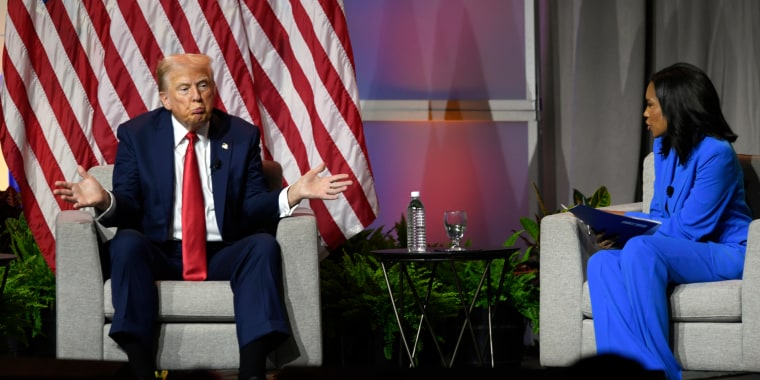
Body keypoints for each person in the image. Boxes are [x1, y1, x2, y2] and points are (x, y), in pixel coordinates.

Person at [53, 53, 353, 380]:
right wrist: (104, 200)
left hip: (221, 252)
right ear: (165, 99)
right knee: (126, 244)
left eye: (203, 85)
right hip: (160, 251)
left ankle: (251, 373)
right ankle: (141, 373)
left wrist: (293, 193)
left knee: (262, 246)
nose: (197, 96)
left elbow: (252, 206)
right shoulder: (137, 135)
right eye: (184, 89)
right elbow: (131, 206)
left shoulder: (241, 136)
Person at [586, 62, 752, 380]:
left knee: (641, 251)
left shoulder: (717, 153)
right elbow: (661, 216)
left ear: (674, 105)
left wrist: (628, 224)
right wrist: (616, 229)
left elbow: (690, 229)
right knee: (602, 263)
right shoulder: (664, 148)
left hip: (725, 252)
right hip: (679, 249)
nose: (645, 115)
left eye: (650, 105)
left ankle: (659, 371)